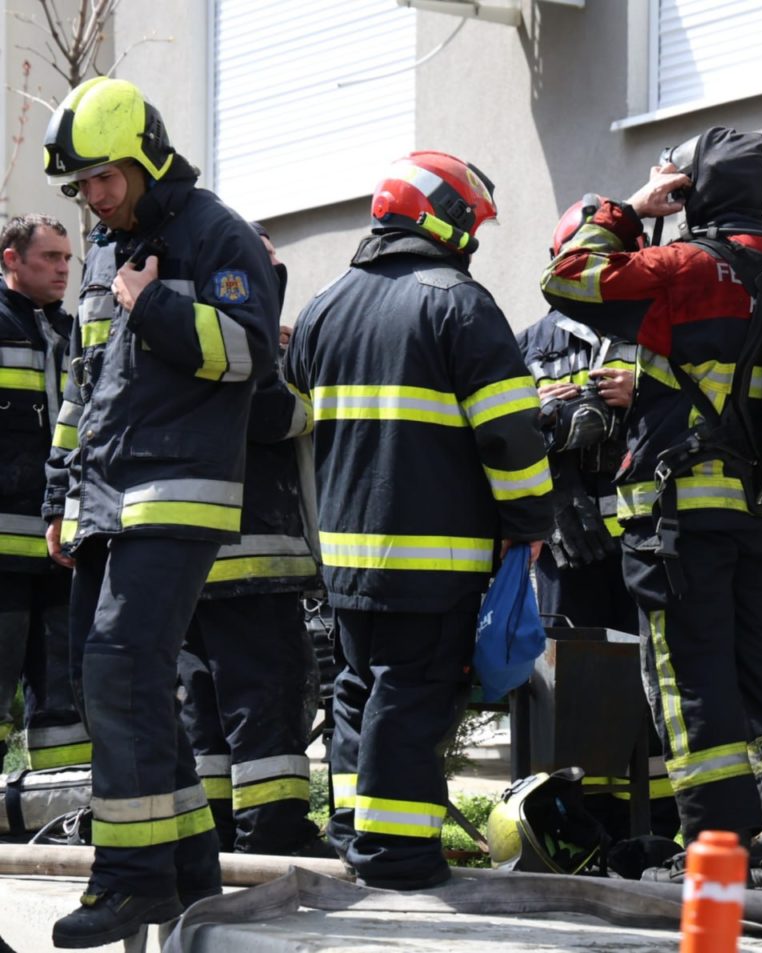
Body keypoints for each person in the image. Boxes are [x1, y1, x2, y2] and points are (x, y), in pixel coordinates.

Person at [540, 126, 762, 895]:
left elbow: (570, 279)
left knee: (692, 678)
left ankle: (718, 849)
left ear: (693, 190)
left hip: (680, 515)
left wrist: (628, 208)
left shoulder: (685, 265)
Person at [41, 77, 278, 947]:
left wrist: (158, 306)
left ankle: (130, 878)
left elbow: (250, 352)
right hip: (103, 497)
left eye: (104, 177)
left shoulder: (215, 232)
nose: (94, 197)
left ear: (145, 158)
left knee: (120, 667)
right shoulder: (106, 247)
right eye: (82, 186)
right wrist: (61, 493)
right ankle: (186, 870)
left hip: (177, 491)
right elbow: (84, 384)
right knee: (115, 678)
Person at [285, 150, 553, 891]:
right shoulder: (459, 304)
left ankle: (354, 833)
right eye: (473, 227)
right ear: (448, 221)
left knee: (356, 690)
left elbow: (298, 425)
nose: (475, 242)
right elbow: (510, 434)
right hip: (432, 558)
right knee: (411, 693)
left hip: (345, 559)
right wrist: (530, 518)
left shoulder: (322, 307)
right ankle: (397, 856)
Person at [517, 200, 678, 844]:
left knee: (653, 676)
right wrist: (538, 411)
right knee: (572, 686)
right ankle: (580, 821)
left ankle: (656, 821)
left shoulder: (655, 325)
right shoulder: (532, 343)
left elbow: (698, 406)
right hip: (569, 543)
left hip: (646, 536)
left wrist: (642, 394)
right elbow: (497, 430)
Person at [177, 222, 324, 857]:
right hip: (253, 559)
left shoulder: (180, 325)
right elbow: (275, 415)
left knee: (205, 706)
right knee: (266, 699)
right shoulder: (242, 336)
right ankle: (274, 836)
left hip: (190, 558)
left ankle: (214, 834)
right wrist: (308, 391)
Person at [0, 215, 90, 774]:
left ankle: (58, 804)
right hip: (3, 554)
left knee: (63, 698)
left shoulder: (74, 331)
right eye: (50, 257)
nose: (63, 270)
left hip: (62, 546)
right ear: (11, 259)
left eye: (67, 259)